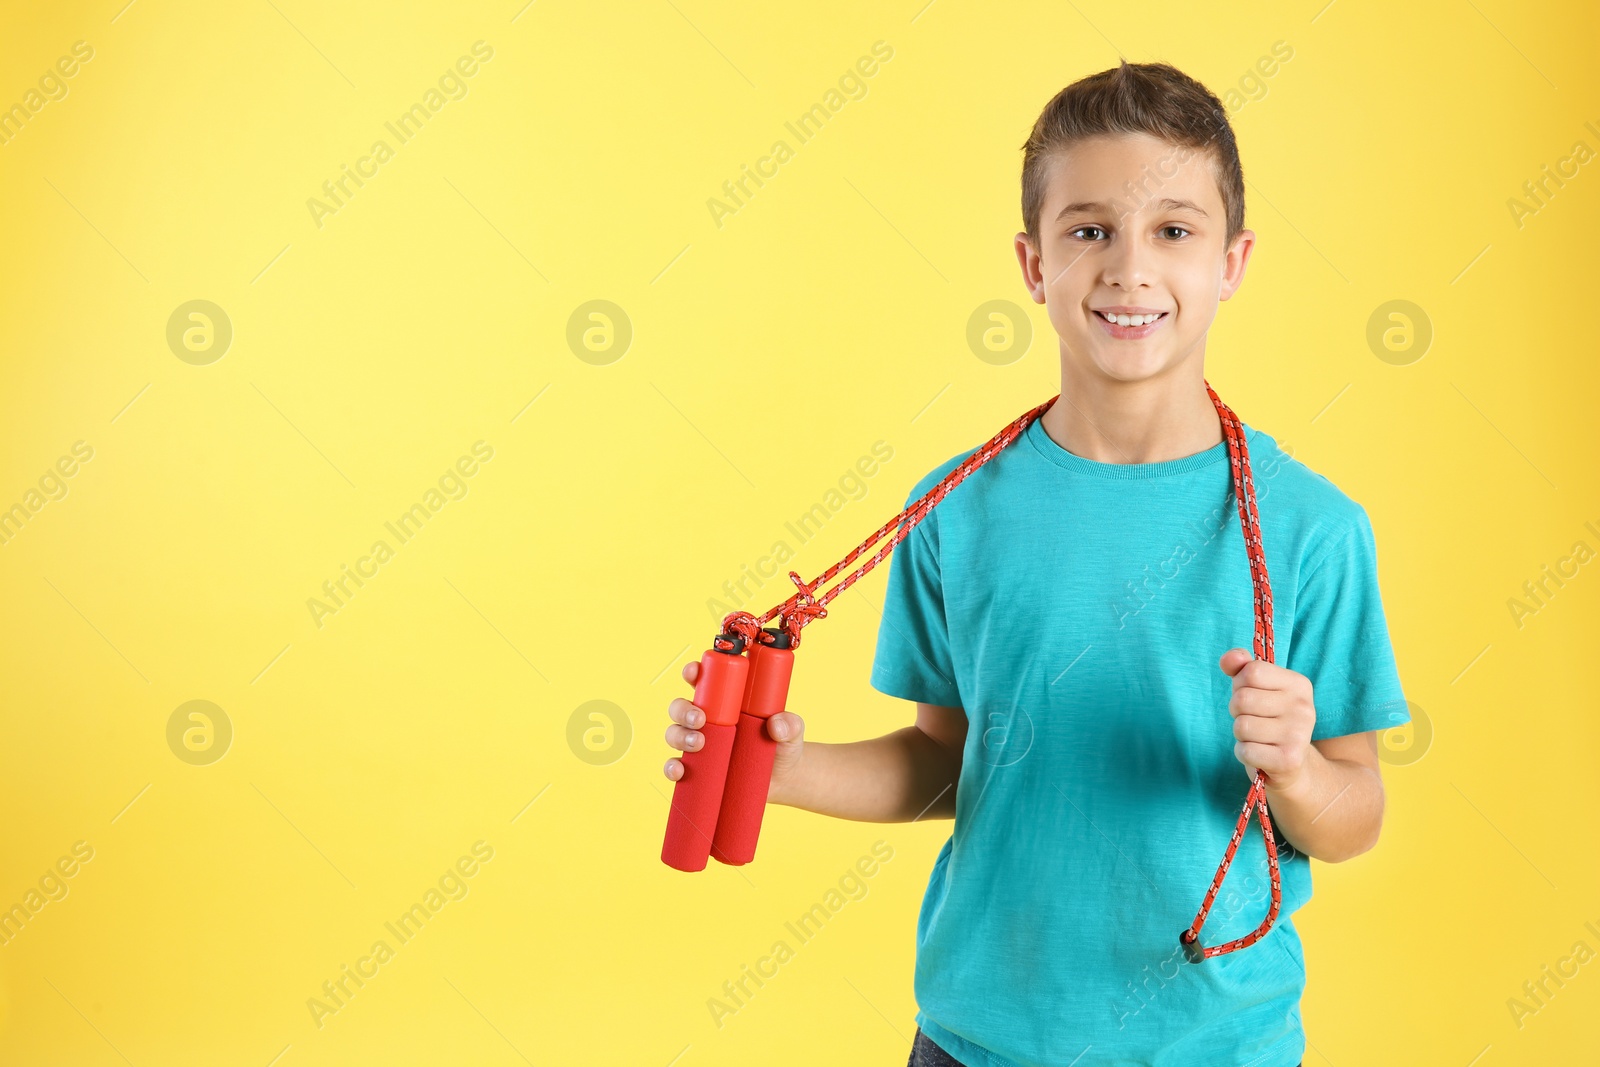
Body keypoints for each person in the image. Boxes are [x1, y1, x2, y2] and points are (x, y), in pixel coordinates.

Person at [663, 59, 1405, 1067]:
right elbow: (944, 760)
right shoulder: (954, 504)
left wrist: (1298, 768)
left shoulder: (1314, 527)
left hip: (1215, 1044)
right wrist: (785, 768)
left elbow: (1353, 813)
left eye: (1173, 231)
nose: (1129, 269)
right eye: (1089, 229)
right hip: (979, 1039)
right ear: (1032, 263)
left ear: (1231, 262)